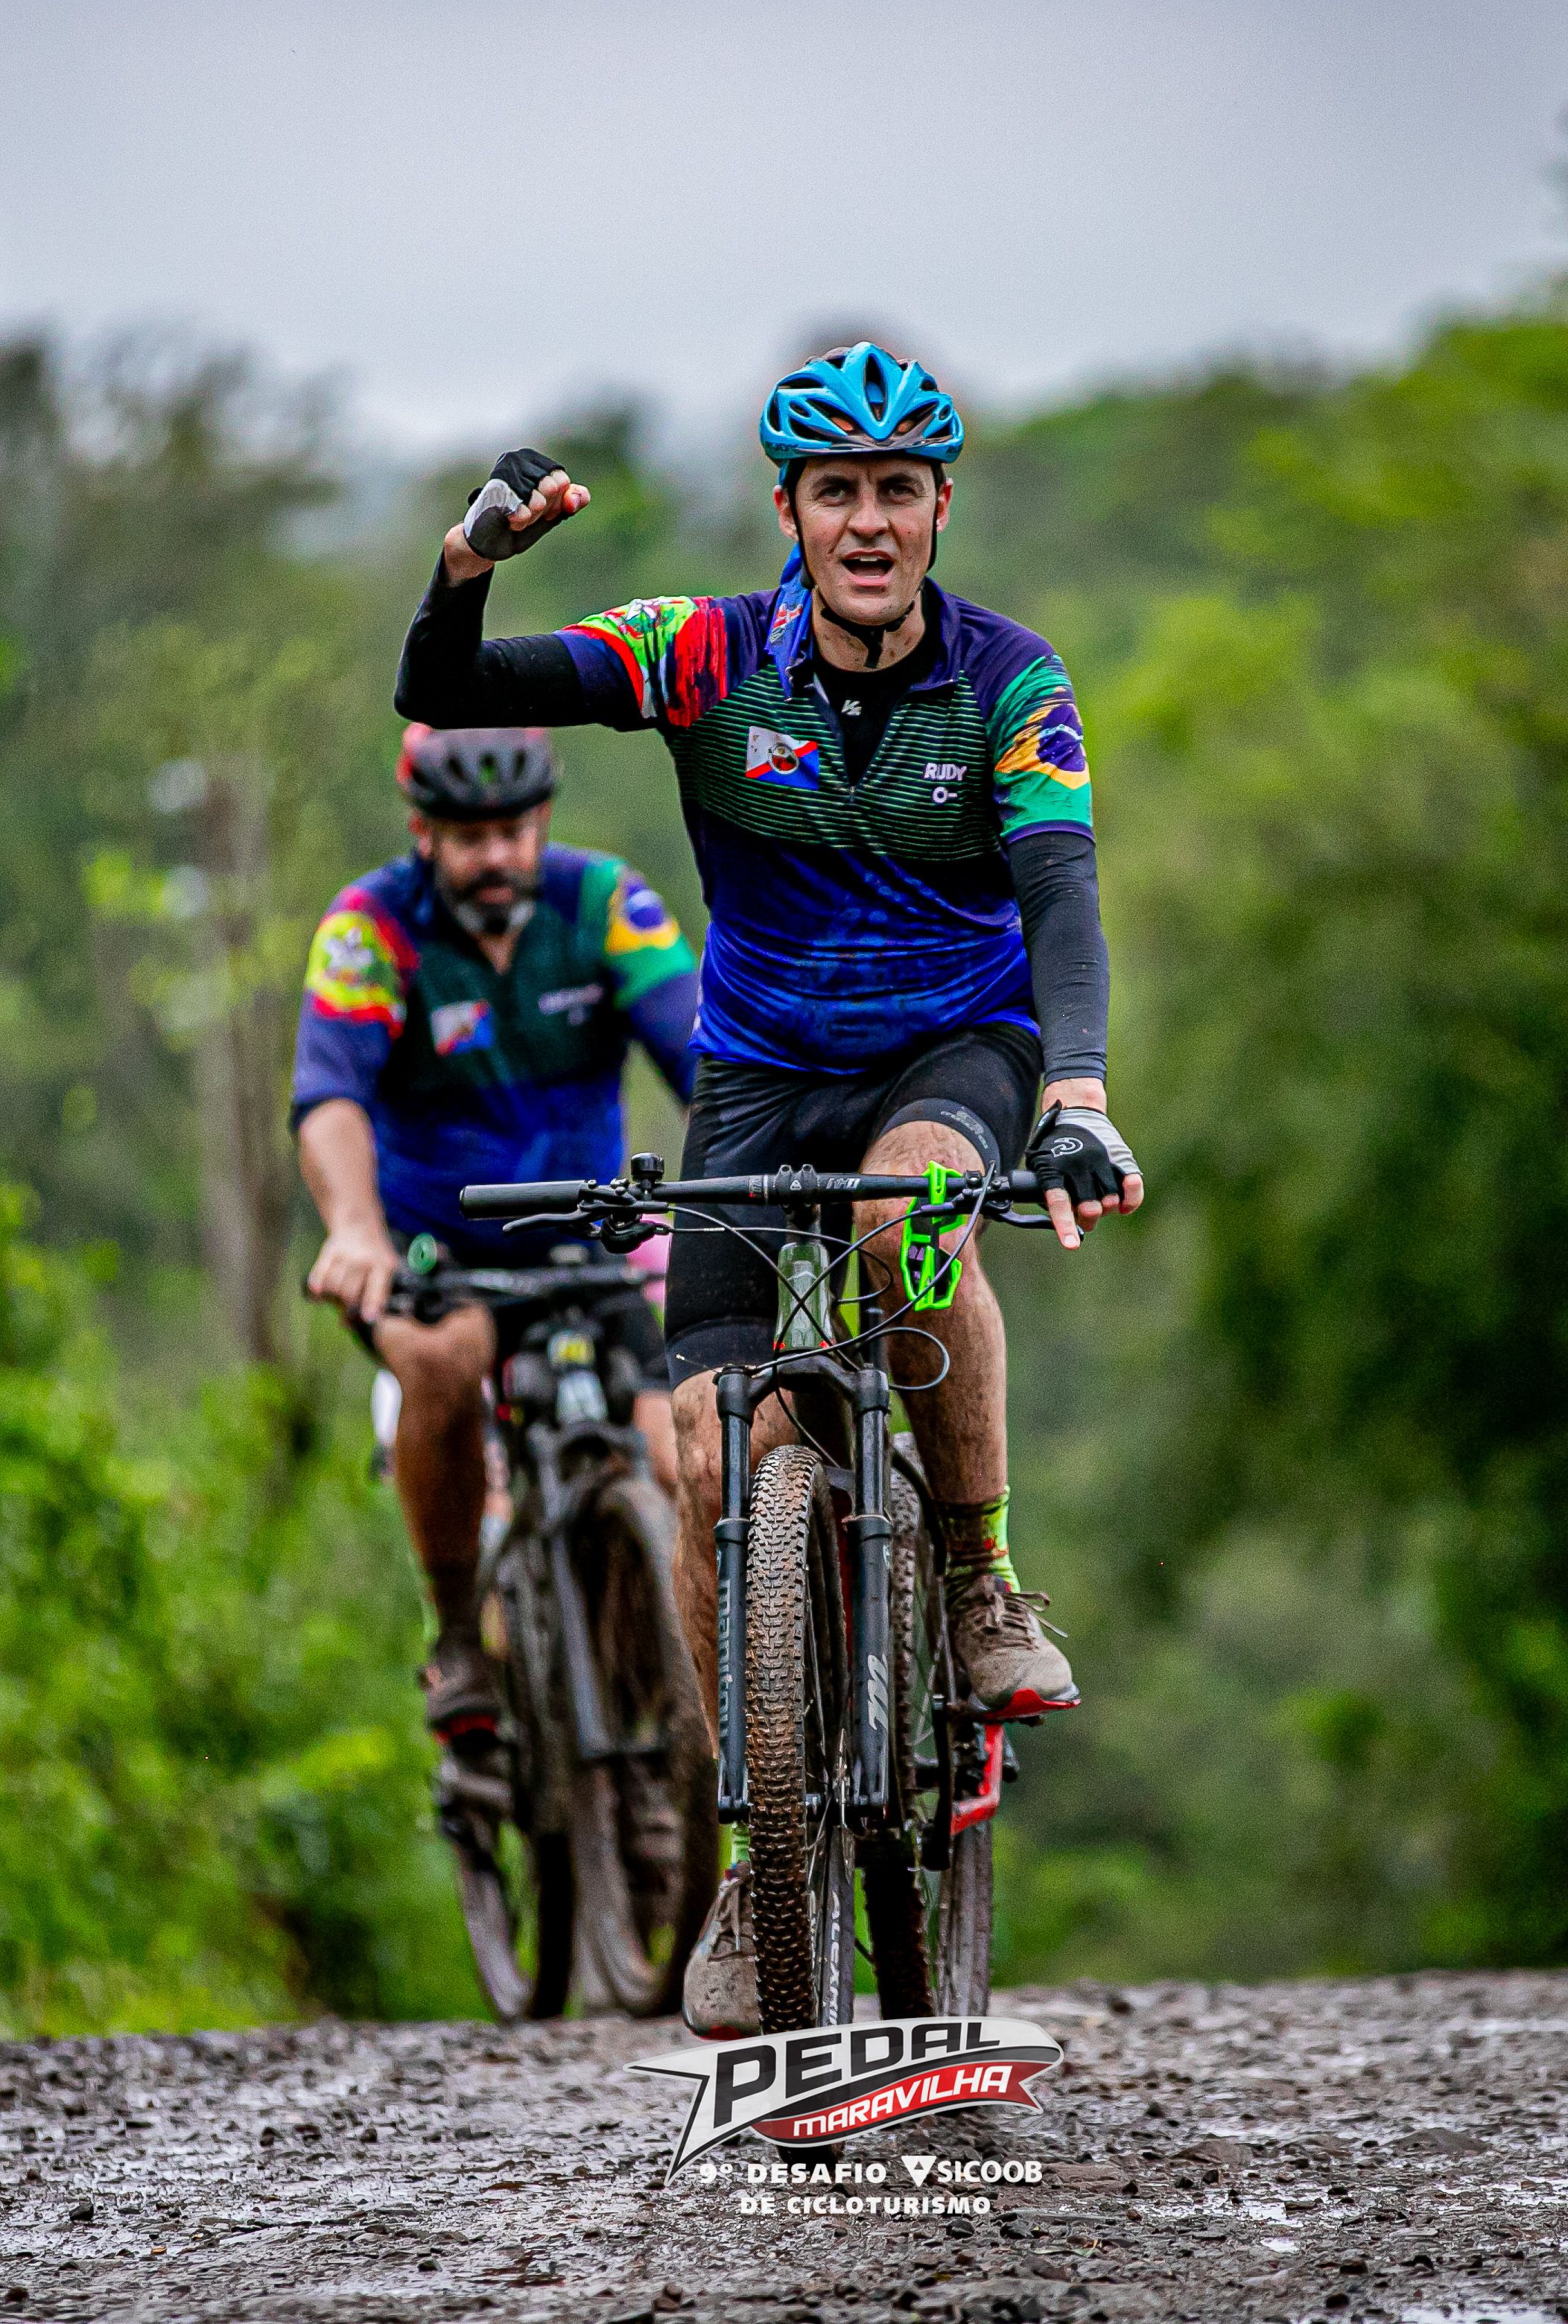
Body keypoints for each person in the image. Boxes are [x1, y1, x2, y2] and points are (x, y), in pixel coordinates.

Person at [393, 343, 1142, 2033]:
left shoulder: (1011, 683)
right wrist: (469, 559)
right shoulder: (702, 654)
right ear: (787, 512)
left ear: (939, 508)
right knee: (702, 1449)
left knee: (904, 1220)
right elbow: (447, 687)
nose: (869, 523)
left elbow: (1060, 889)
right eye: (836, 493)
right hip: (757, 1073)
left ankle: (976, 1577)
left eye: (898, 492)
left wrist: (1078, 1093)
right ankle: (764, 1846)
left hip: (954, 1049)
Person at [292, 724, 699, 1744]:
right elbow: (330, 1096)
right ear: (423, 832)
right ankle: (459, 1636)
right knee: (444, 1360)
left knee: (677, 1454)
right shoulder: (369, 929)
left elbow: (704, 1056)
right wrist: (355, 1229)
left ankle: (679, 1705)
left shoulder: (605, 902)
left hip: (592, 1239)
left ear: (543, 821)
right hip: (438, 1249)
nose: (495, 857)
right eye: (470, 837)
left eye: (513, 832)